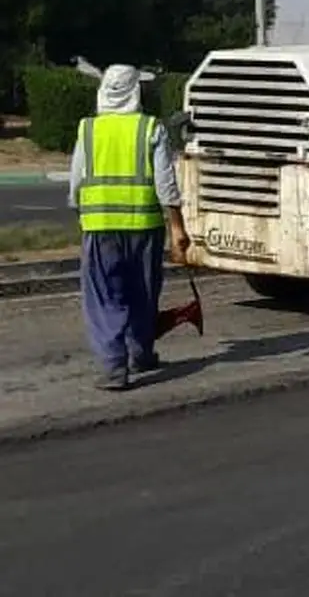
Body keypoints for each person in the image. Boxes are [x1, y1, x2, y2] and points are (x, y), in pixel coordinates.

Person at [68, 64, 191, 390]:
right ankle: (142, 352)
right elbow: (166, 184)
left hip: (100, 229)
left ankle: (113, 367)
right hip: (144, 228)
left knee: (106, 296)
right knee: (143, 292)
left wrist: (81, 215)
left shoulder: (88, 130)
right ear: (135, 92)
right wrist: (177, 229)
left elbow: (76, 183)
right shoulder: (151, 128)